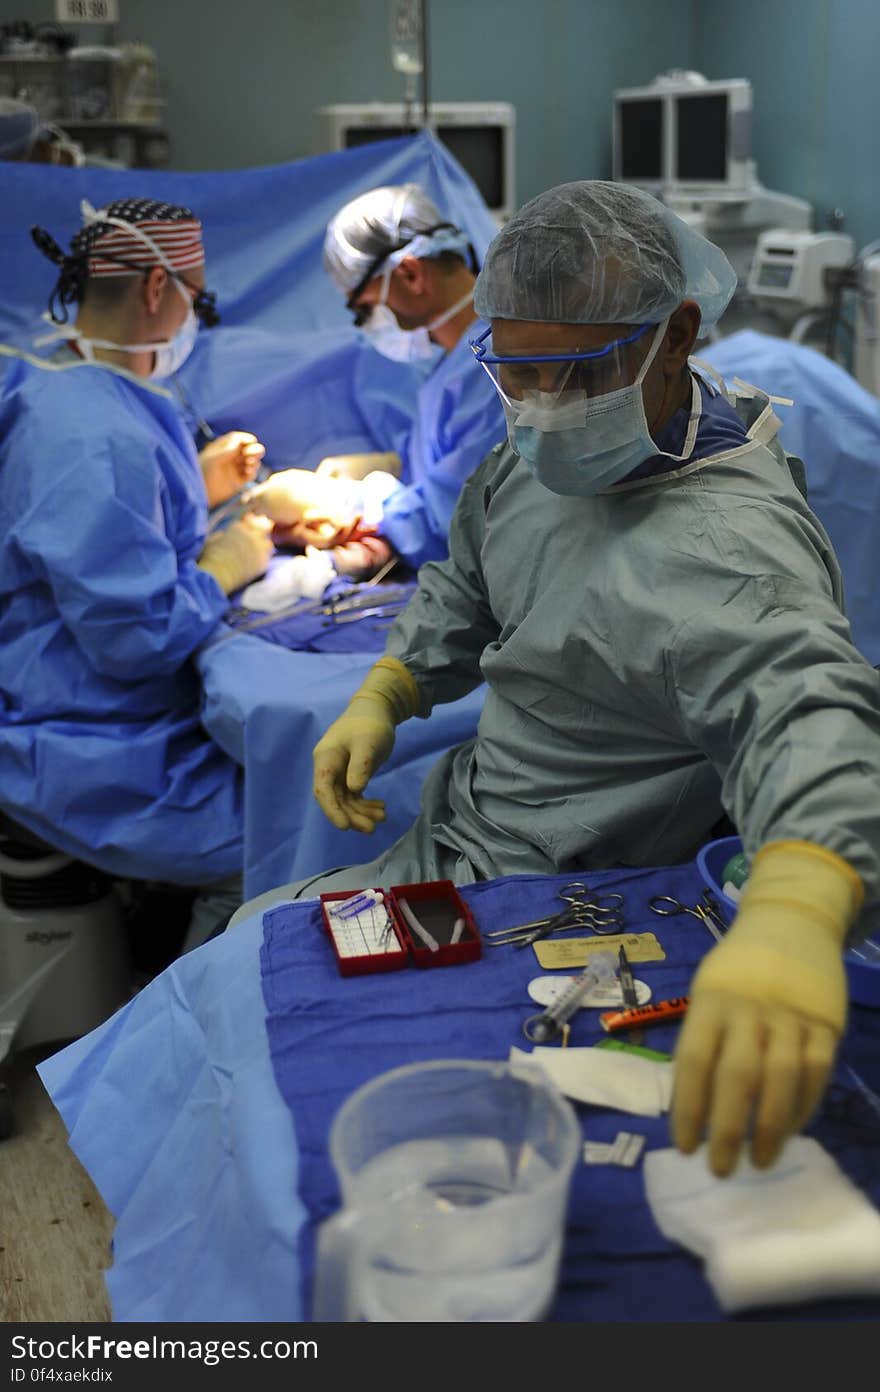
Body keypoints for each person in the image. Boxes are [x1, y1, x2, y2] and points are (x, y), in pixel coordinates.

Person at [233, 181, 880, 1178]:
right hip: (464, 835)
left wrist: (799, 901)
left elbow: (806, 711)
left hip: (570, 888)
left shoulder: (725, 544)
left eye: (571, 377)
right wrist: (395, 683)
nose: (540, 410)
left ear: (677, 336)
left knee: (269, 1027)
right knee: (247, 951)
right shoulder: (548, 437)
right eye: (516, 373)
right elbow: (471, 573)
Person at [0, 197, 276, 951]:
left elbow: (74, 530)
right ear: (158, 289)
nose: (194, 314)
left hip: (82, 716)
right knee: (283, 847)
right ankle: (181, 1045)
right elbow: (138, 637)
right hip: (80, 748)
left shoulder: (55, 377)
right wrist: (225, 567)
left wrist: (196, 482)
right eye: (197, 294)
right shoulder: (94, 434)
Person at [246, 183, 505, 578]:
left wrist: (349, 501)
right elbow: (451, 458)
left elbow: (455, 519)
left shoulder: (490, 368)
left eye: (364, 308)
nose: (370, 325)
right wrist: (393, 463)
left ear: (411, 274)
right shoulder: (458, 361)